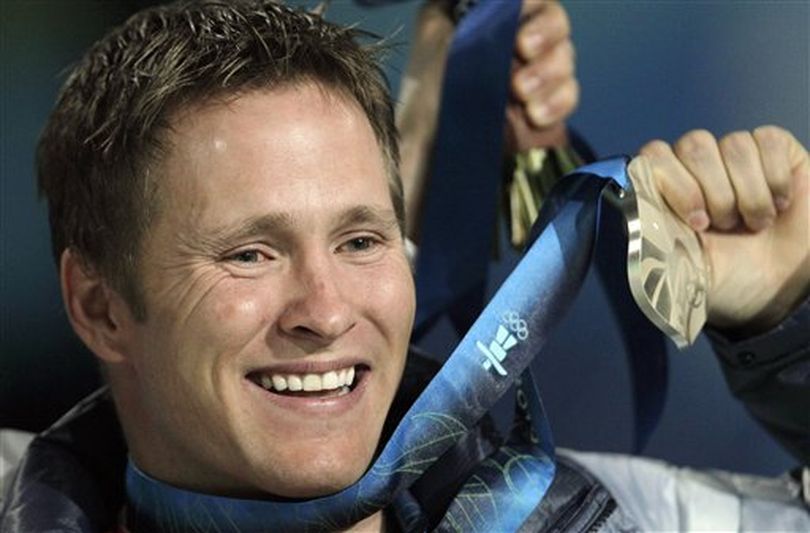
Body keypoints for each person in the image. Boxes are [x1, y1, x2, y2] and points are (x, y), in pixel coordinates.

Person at [0, 0, 807, 531]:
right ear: (100, 307)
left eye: (359, 241)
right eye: (250, 253)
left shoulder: (629, 516)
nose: (325, 308)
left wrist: (786, 322)